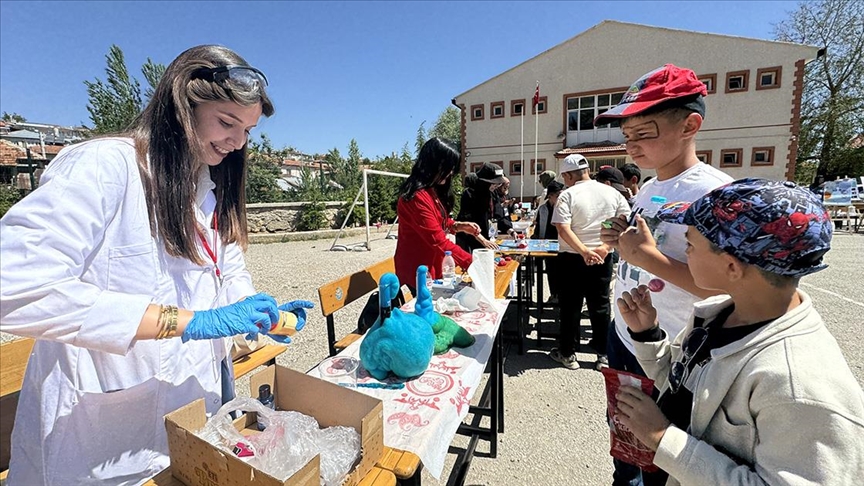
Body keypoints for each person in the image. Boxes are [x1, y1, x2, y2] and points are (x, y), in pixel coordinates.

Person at [0, 45, 316, 485]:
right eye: (227, 122)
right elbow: (14, 285)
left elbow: (225, 271)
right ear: (182, 107)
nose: (238, 142)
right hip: (102, 438)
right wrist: (189, 322)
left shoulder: (207, 187)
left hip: (189, 413)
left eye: (247, 130)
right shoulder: (105, 167)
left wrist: (255, 311)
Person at [615, 178, 864, 485]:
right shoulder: (717, 316)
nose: (685, 253)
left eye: (690, 245)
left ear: (732, 267)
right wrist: (647, 335)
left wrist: (662, 437)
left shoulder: (799, 384)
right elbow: (685, 386)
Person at [596, 64, 733, 485]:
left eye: (644, 132)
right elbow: (645, 247)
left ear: (690, 125)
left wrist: (646, 257)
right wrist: (621, 241)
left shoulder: (714, 193)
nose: (631, 146)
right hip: (627, 336)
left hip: (672, 353)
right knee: (627, 445)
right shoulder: (650, 187)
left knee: (660, 458)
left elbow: (730, 289)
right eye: (627, 136)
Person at [549, 154, 630, 370]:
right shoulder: (611, 192)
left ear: (568, 175)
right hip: (603, 255)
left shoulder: (567, 195)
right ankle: (604, 355)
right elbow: (623, 221)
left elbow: (563, 228)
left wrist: (584, 251)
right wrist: (604, 247)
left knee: (570, 306)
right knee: (600, 306)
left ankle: (567, 353)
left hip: (572, 257)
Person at [395, 138, 479, 290]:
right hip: (417, 275)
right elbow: (437, 240)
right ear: (433, 164)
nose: (451, 172)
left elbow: (437, 221)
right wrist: (472, 262)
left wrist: (458, 226)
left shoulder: (431, 191)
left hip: (432, 270)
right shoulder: (416, 198)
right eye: (448, 167)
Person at [455, 162, 504, 252]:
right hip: (470, 240)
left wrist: (510, 230)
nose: (496, 186)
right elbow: (467, 222)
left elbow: (498, 214)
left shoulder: (492, 193)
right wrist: (483, 240)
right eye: (494, 183)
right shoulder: (469, 194)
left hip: (487, 238)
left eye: (498, 184)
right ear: (485, 182)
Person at [531, 180, 564, 303]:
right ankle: (553, 294)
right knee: (551, 271)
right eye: (558, 195)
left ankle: (561, 296)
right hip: (547, 244)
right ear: (550, 196)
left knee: (562, 272)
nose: (560, 198)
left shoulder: (563, 208)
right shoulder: (543, 209)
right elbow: (538, 227)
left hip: (562, 244)